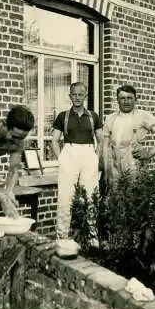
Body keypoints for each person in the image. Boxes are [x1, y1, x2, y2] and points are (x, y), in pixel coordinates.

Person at [51, 82, 104, 240]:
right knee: (65, 198)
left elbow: (100, 140)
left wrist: (95, 157)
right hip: (69, 152)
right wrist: (61, 158)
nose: (77, 98)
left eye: (80, 94)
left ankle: (93, 238)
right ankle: (62, 237)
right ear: (70, 96)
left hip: (88, 153)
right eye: (74, 94)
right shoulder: (63, 116)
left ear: (85, 96)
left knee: (91, 195)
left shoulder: (93, 116)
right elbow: (54, 140)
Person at [103, 84, 155, 186]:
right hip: (113, 166)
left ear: (135, 100)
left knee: (133, 196)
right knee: (114, 198)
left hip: (133, 163)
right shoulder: (110, 118)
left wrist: (149, 154)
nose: (126, 101)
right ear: (117, 100)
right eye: (122, 98)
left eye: (129, 98)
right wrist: (106, 171)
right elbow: (105, 146)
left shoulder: (143, 116)